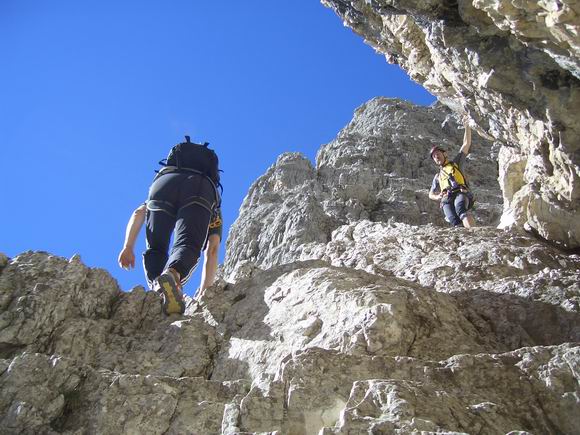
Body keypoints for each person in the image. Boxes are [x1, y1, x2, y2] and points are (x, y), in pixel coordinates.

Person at [118, 136, 222, 315]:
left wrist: (128, 247)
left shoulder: (168, 172)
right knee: (188, 244)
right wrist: (205, 291)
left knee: (156, 248)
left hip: (163, 184)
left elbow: (138, 213)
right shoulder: (214, 203)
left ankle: (159, 287)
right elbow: (212, 250)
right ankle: (172, 275)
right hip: (201, 189)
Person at [428, 117, 475, 228]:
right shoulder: (437, 176)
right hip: (446, 198)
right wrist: (437, 196)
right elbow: (430, 194)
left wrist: (467, 127)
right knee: (453, 220)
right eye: (434, 156)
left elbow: (466, 144)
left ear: (445, 154)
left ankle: (473, 233)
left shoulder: (455, 163)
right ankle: (466, 240)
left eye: (438, 153)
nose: (436, 156)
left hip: (460, 191)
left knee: (461, 209)